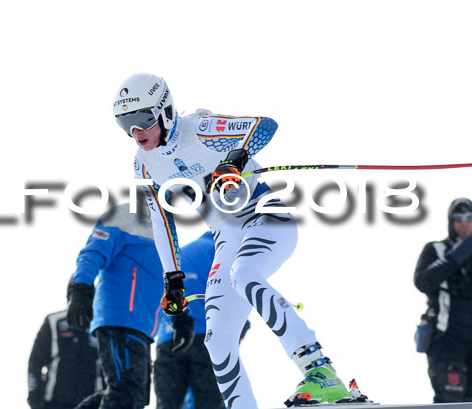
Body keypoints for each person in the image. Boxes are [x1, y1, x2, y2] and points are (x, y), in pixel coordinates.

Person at [112, 73, 356, 408]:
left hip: (266, 218)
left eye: (143, 119)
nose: (135, 132)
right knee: (216, 340)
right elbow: (161, 220)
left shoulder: (198, 128)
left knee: (244, 275)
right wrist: (174, 278)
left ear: (165, 111)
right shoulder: (144, 165)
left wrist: (234, 160)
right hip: (226, 238)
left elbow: (263, 126)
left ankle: (321, 371)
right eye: (125, 123)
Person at [67, 203, 165, 409]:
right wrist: (80, 288)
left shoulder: (164, 224)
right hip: (121, 318)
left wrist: (182, 317)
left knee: (132, 396)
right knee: (127, 393)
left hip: (142, 326)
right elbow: (93, 251)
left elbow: (166, 281)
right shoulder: (126, 214)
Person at [154, 231, 248, 409]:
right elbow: (234, 293)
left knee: (167, 403)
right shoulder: (221, 253)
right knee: (209, 401)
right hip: (206, 339)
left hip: (168, 340)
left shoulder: (178, 256)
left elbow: (162, 300)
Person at [414, 198, 472, 402]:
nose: (464, 223)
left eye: (469, 218)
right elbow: (423, 282)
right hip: (446, 339)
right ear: (451, 221)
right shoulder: (436, 250)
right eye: (458, 218)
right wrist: (458, 254)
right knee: (451, 400)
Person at [27, 296, 102, 409]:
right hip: (54, 402)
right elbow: (35, 362)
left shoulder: (101, 326)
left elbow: (109, 370)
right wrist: (35, 398)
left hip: (91, 403)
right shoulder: (54, 321)